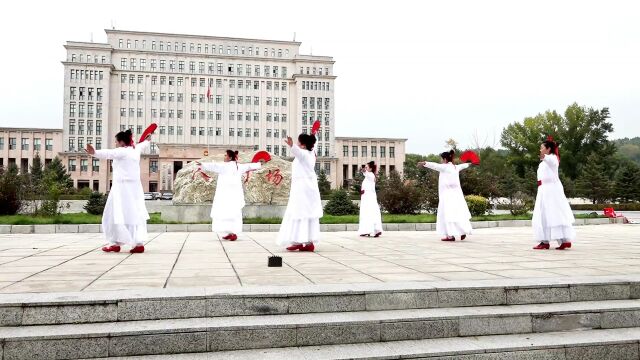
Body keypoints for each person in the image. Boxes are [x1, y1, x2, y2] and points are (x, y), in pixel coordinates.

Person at [86, 129, 150, 253]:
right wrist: (147, 140)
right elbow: (142, 145)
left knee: (113, 214)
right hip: (135, 189)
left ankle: (114, 243)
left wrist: (94, 152)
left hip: (121, 189)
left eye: (116, 141)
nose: (115, 143)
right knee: (134, 214)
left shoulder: (122, 151)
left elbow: (108, 153)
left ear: (121, 142)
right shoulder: (135, 150)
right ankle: (138, 243)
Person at [196, 150, 262, 241]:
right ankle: (230, 233)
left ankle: (232, 233)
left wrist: (202, 164)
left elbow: (214, 166)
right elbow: (249, 166)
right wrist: (259, 164)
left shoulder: (224, 166)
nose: (224, 157)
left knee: (225, 212)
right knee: (233, 213)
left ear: (230, 157)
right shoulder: (238, 166)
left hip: (225, 194)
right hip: (234, 195)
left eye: (225, 155)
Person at [277, 133, 323, 252]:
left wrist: (292, 145)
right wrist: (315, 134)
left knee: (299, 212)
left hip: (303, 189)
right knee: (304, 213)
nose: (297, 143)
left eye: (298, 142)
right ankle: (306, 242)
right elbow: (314, 143)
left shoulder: (304, 155)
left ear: (302, 145)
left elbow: (298, 151)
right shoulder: (311, 153)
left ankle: (300, 242)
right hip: (306, 188)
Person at [418, 150, 473, 241]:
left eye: (441, 159)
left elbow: (434, 165)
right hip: (457, 195)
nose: (440, 161)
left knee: (447, 214)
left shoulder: (445, 167)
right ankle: (463, 231)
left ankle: (450, 236)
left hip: (447, 196)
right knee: (458, 213)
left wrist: (424, 163)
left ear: (444, 159)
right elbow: (465, 165)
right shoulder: (456, 167)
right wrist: (470, 163)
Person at [532, 138, 575, 250]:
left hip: (551, 190)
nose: (540, 149)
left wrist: (544, 156)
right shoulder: (545, 161)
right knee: (545, 214)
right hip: (544, 189)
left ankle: (560, 240)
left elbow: (550, 160)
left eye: (542, 147)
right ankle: (549, 241)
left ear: (548, 149)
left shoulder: (552, 159)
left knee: (553, 214)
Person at [358, 161, 383, 237]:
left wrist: (363, 170)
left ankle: (373, 230)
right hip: (367, 197)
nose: (365, 168)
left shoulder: (370, 175)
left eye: (366, 167)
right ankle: (367, 230)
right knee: (368, 212)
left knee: (369, 212)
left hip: (368, 198)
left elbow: (365, 172)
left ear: (371, 168)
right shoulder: (369, 176)